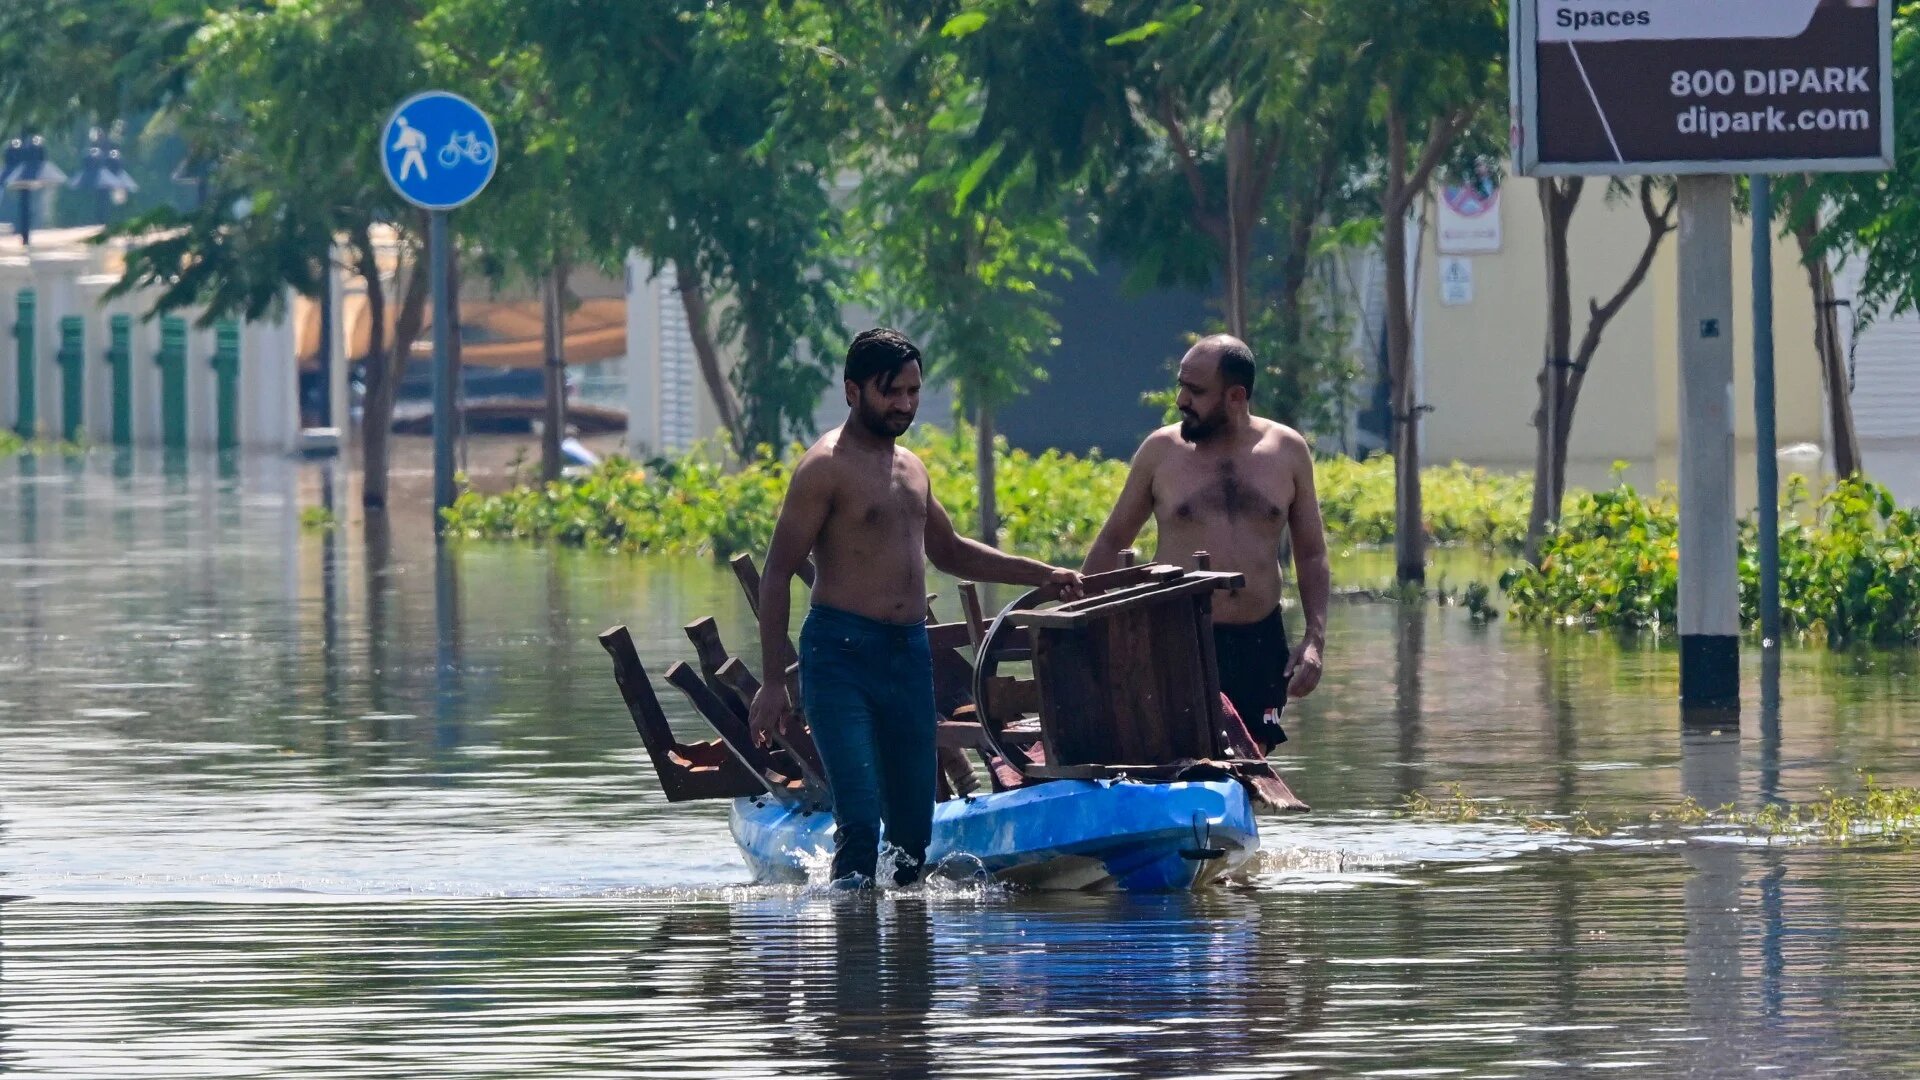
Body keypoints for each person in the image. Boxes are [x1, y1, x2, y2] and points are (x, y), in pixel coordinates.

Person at [747, 328, 1084, 888]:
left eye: (912, 391)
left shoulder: (911, 468)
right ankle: (851, 957)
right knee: (859, 820)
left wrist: (1042, 573)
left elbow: (951, 552)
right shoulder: (824, 467)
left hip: (906, 657)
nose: (904, 405)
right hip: (840, 655)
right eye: (890, 392)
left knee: (911, 831)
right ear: (853, 391)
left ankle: (906, 962)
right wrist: (774, 681)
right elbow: (778, 570)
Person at [1082, 334, 1329, 751]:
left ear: (1235, 396)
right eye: (1180, 385)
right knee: (1179, 759)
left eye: (1195, 391)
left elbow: (1312, 553)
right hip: (1176, 639)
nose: (1181, 400)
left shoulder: (1287, 451)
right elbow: (1111, 543)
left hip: (1259, 641)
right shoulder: (1161, 452)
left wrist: (1314, 640)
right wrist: (1080, 629)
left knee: (1250, 765)